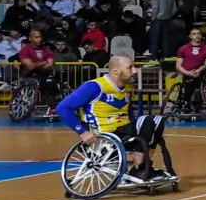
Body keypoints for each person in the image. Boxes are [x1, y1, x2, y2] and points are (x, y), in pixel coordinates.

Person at [57, 53, 174, 187]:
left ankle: (140, 168)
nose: (135, 71)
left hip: (123, 133)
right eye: (130, 67)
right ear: (116, 71)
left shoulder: (128, 88)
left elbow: (128, 113)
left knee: (157, 121)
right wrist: (82, 132)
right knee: (147, 120)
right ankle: (139, 169)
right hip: (104, 135)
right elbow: (63, 108)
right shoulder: (95, 86)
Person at [16, 28, 58, 102]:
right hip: (28, 77)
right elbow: (30, 67)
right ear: (30, 38)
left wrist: (40, 66)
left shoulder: (46, 49)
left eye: (40, 37)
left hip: (43, 76)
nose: (39, 39)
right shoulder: (25, 50)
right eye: (36, 37)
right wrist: (43, 63)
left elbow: (50, 66)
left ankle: (51, 104)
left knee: (53, 82)